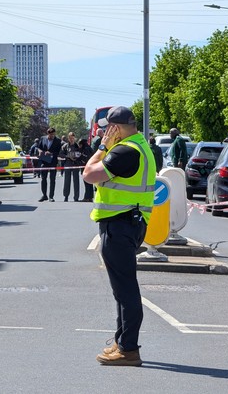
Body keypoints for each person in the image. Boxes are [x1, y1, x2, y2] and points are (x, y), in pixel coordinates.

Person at [83, 106, 156, 367]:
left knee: (125, 290)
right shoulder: (140, 146)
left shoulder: (124, 151)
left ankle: (128, 349)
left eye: (107, 128)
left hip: (120, 225)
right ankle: (122, 341)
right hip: (131, 223)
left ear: (116, 128)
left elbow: (88, 174)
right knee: (122, 289)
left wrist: (102, 147)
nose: (104, 132)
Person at [36, 127, 61, 202]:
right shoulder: (43, 138)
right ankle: (44, 195)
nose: (52, 136)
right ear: (48, 134)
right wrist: (40, 151)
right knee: (43, 178)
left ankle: (51, 196)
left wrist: (51, 153)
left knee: (52, 179)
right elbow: (38, 147)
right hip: (44, 161)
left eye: (53, 135)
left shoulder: (57, 141)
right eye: (51, 135)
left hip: (53, 162)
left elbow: (58, 152)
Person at [60, 132, 81, 202]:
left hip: (75, 164)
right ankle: (66, 196)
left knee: (76, 181)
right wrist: (68, 156)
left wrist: (76, 157)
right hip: (68, 163)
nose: (71, 139)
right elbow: (61, 154)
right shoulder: (65, 146)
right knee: (67, 180)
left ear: (74, 138)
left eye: (73, 138)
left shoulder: (77, 146)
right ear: (68, 138)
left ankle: (76, 197)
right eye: (70, 138)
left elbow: (80, 154)